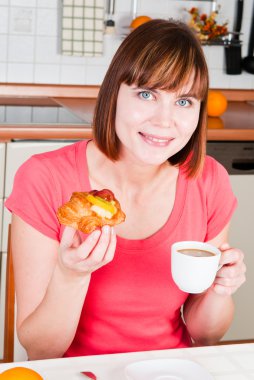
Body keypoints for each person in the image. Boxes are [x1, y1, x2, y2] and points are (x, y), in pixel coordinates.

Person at [5, 19, 246, 360]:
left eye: (184, 102)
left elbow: (205, 336)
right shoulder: (44, 178)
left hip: (169, 370)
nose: (165, 121)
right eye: (147, 94)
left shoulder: (208, 181)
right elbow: (41, 349)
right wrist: (70, 275)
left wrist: (221, 289)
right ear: (114, 93)